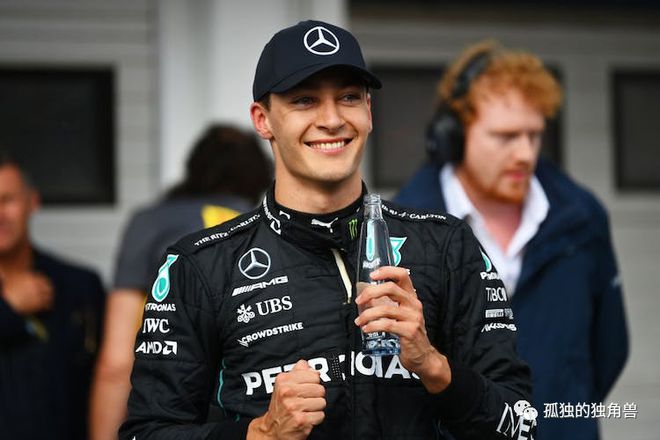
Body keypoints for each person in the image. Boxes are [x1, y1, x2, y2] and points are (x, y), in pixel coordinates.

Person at [120, 21, 536, 440]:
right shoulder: (201, 265)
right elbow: (146, 433)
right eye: (305, 101)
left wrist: (435, 367)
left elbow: (522, 425)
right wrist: (260, 434)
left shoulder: (446, 246)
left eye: (349, 97)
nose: (332, 119)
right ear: (263, 120)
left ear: (368, 112)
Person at [395, 40, 629, 439]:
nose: (525, 154)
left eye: (533, 135)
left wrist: (564, 418)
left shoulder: (582, 218)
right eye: (506, 137)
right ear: (455, 136)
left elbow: (610, 348)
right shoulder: (408, 229)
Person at [90, 124, 272, 440]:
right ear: (258, 177)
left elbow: (116, 364)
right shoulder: (265, 227)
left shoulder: (150, 223)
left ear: (194, 167)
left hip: (166, 411)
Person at [0, 150, 105, 440]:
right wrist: (7, 308)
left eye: (7, 201)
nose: (0, 215)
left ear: (32, 202)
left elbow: (109, 377)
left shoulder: (79, 285)